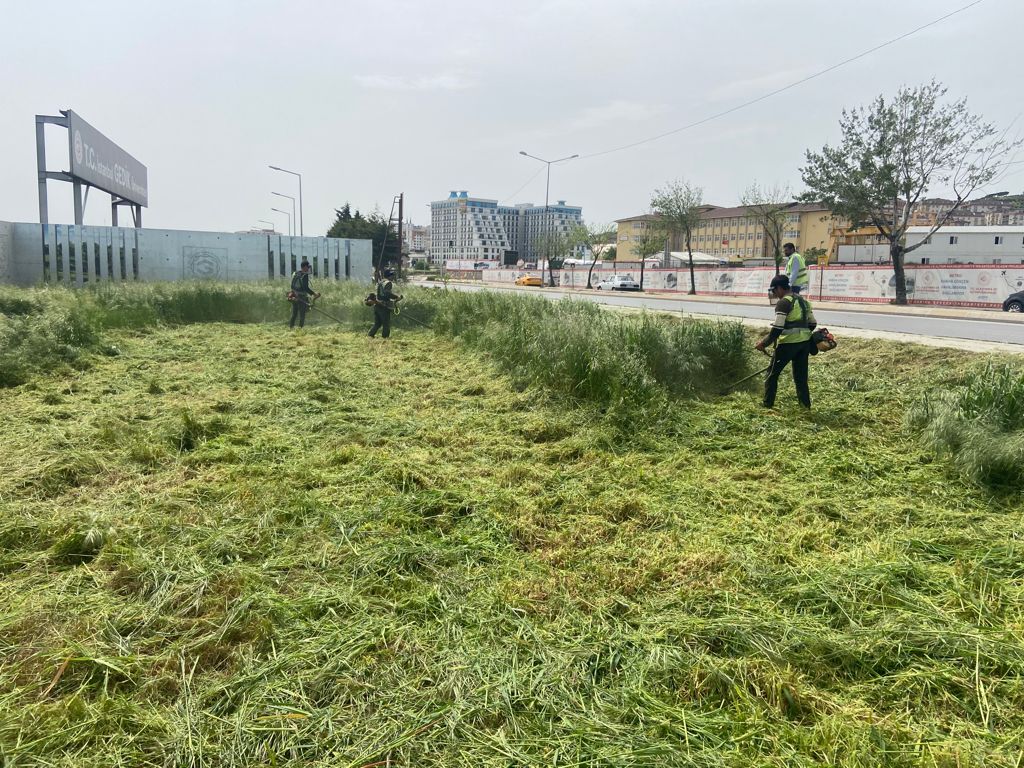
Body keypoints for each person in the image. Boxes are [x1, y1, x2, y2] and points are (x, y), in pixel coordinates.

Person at [755, 273, 816, 409]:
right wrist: (801, 334)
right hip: (804, 345)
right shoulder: (804, 301)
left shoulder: (784, 303)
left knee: (772, 374)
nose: (775, 294)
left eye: (774, 291)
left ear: (779, 288)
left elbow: (777, 329)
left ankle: (767, 405)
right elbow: (812, 324)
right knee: (801, 378)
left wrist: (763, 343)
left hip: (788, 345)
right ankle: (805, 407)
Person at [289, 261, 320, 329]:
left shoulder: (296, 273)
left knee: (294, 313)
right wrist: (314, 294)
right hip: (301, 297)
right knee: (302, 314)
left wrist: (294, 293)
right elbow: (306, 288)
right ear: (305, 267)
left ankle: (291, 327)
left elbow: (292, 285)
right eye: (308, 267)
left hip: (294, 295)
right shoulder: (305, 275)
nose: (308, 268)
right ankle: (300, 329)